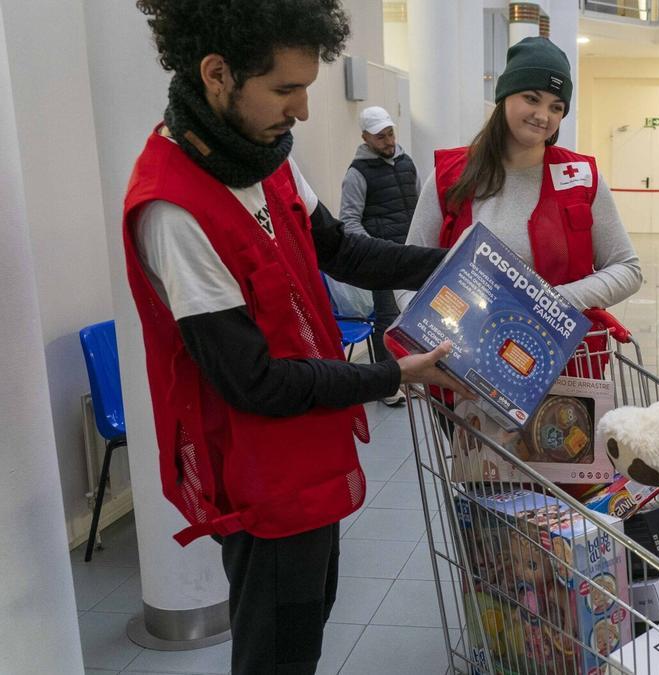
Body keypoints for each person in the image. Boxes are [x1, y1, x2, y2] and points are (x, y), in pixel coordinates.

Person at [124, 2, 470, 673]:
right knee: (276, 650)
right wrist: (394, 373)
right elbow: (253, 382)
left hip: (310, 445)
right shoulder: (172, 208)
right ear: (218, 74)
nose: (304, 111)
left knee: (307, 623)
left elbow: (340, 249)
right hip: (265, 477)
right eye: (286, 89)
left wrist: (452, 264)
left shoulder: (264, 156)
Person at [400, 36, 642, 332]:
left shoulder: (580, 176)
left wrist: (550, 302)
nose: (543, 116)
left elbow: (628, 269)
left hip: (563, 353)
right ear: (505, 95)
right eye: (531, 98)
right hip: (467, 351)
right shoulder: (451, 175)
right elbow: (407, 273)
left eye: (556, 107)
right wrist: (423, 331)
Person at [340, 106, 420, 405]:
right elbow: (349, 221)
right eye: (380, 137)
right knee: (386, 319)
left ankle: (413, 375)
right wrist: (375, 250)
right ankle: (387, 385)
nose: (388, 141)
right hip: (382, 259)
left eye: (390, 134)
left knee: (413, 316)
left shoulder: (407, 163)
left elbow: (420, 207)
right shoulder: (357, 173)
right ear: (365, 138)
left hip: (410, 254)